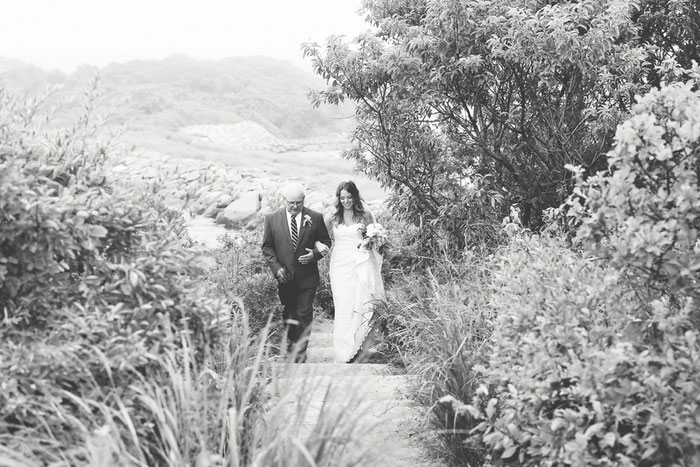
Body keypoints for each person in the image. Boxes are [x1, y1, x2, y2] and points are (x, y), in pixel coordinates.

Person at [262, 182, 332, 363]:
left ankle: (301, 351)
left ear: (303, 200)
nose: (295, 206)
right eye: (291, 202)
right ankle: (292, 344)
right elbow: (267, 247)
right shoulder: (271, 219)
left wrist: (315, 255)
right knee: (288, 314)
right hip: (284, 278)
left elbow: (326, 242)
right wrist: (277, 269)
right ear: (284, 200)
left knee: (304, 312)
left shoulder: (315, 218)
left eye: (298, 203)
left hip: (307, 277)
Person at [324, 181, 385, 363]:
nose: (346, 201)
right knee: (344, 305)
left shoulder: (364, 215)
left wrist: (370, 241)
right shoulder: (333, 217)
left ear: (355, 196)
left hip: (361, 261)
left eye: (349, 197)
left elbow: (375, 236)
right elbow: (323, 239)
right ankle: (344, 348)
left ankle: (359, 346)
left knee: (362, 302)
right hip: (339, 264)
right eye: (342, 198)